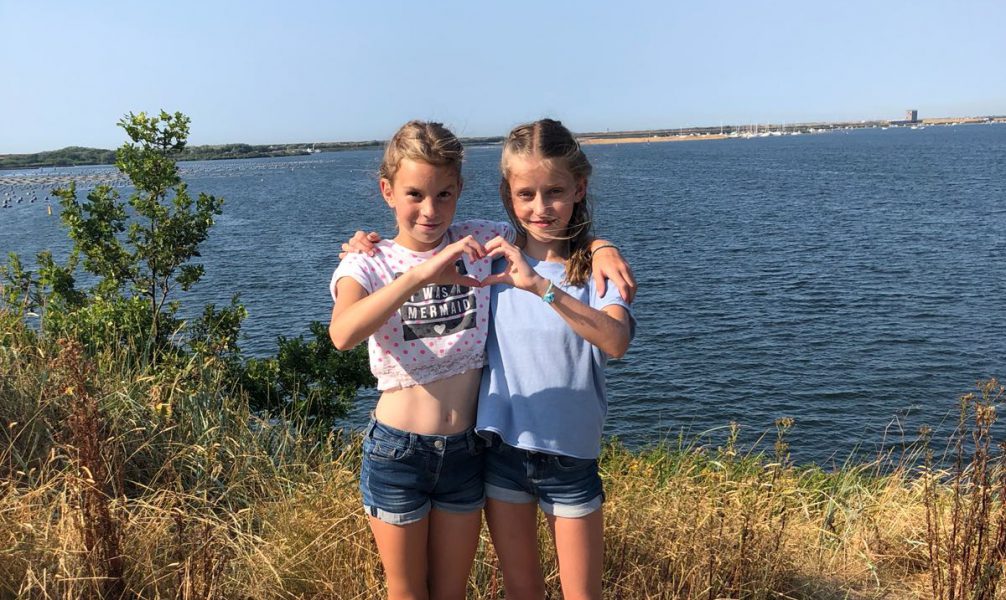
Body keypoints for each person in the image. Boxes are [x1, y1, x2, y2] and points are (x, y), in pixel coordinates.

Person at [327, 120, 634, 600]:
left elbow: (548, 240)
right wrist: (418, 274)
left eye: (444, 194)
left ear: (459, 190)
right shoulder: (372, 261)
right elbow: (343, 333)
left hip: (471, 453)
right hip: (405, 450)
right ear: (387, 191)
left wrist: (601, 246)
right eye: (414, 195)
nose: (430, 209)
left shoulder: (483, 245)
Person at [476, 118, 635, 600]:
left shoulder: (596, 271)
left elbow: (615, 341)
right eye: (526, 194)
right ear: (508, 194)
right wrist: (362, 246)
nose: (541, 208)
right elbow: (415, 244)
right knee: (520, 590)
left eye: (555, 192)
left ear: (579, 188)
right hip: (503, 451)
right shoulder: (490, 259)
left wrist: (544, 287)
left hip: (571, 457)